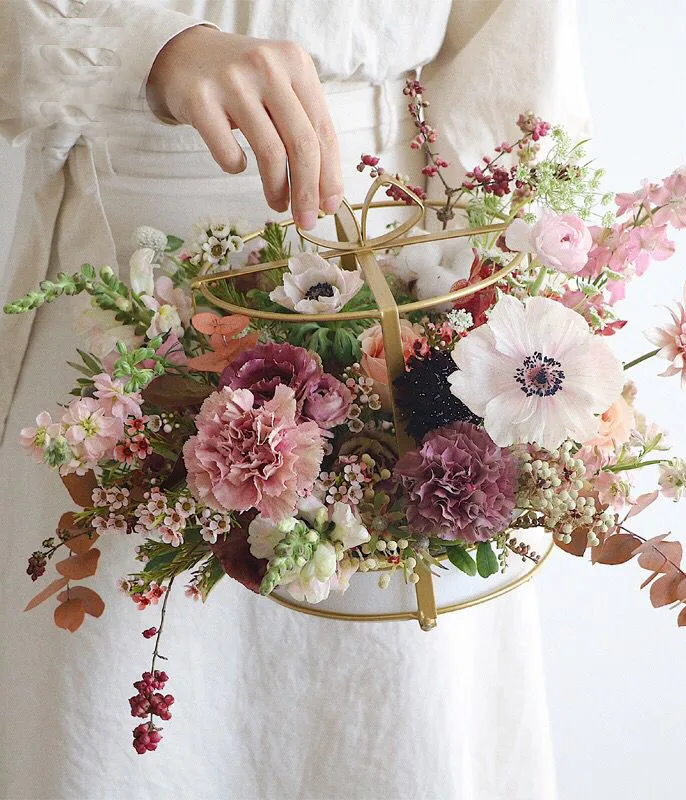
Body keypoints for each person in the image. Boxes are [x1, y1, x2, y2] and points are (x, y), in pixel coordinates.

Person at [0, 2, 589, 797]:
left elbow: (509, 48)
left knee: (399, 713)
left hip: (401, 278)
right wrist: (152, 46)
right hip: (122, 284)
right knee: (114, 723)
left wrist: (507, 301)